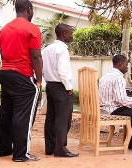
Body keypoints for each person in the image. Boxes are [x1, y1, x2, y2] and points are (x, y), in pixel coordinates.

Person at [0, 0, 42, 162]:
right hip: (23, 74)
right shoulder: (32, 29)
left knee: (6, 112)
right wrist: (39, 80)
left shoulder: (4, 30)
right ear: (28, 10)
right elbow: (36, 56)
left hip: (5, 73)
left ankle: (3, 149)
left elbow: (2, 54)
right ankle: (21, 154)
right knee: (23, 114)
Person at [99, 54, 132, 154]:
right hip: (114, 110)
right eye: (126, 64)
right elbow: (122, 100)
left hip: (104, 110)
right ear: (120, 64)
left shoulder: (104, 77)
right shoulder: (119, 78)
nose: (127, 67)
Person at [42, 23, 78, 157]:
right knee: (63, 118)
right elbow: (63, 71)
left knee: (51, 117)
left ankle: (50, 147)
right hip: (61, 86)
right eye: (70, 33)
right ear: (64, 34)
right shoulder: (62, 50)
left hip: (50, 85)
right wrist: (69, 87)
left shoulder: (47, 49)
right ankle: (60, 149)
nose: (71, 36)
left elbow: (43, 68)